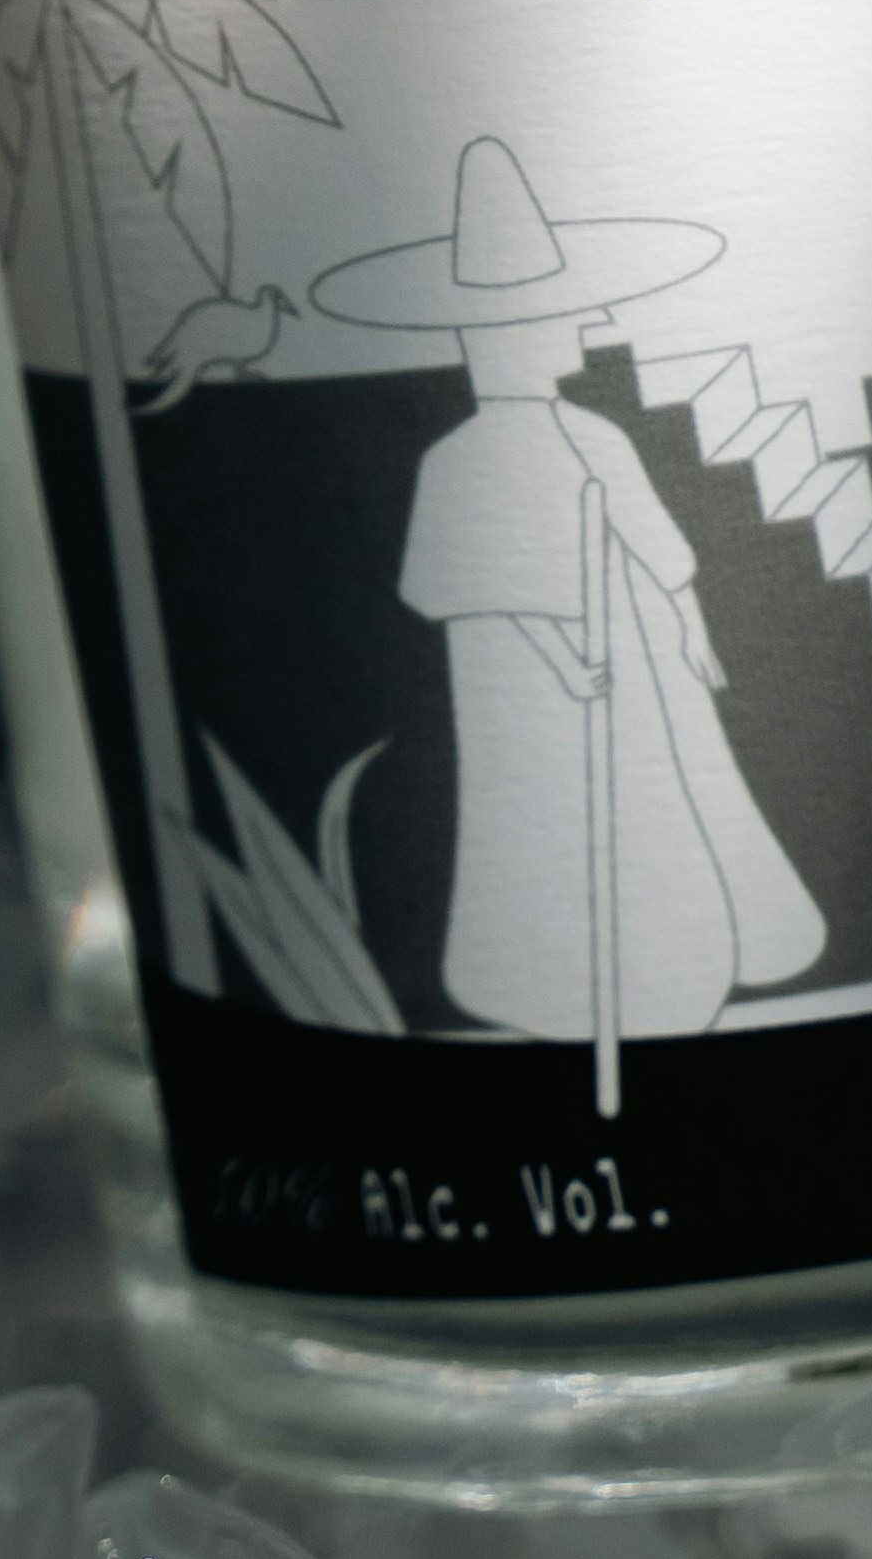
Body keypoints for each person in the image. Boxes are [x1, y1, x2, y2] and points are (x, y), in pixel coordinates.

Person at [314, 140, 824, 1045]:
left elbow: (659, 546)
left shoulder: (593, 435)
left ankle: (696, 954)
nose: (568, 333)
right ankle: (574, 985)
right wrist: (561, 662)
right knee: (549, 816)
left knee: (667, 794)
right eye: (537, 322)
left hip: (633, 664)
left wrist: (690, 627)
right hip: (530, 691)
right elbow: (478, 593)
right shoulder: (459, 461)